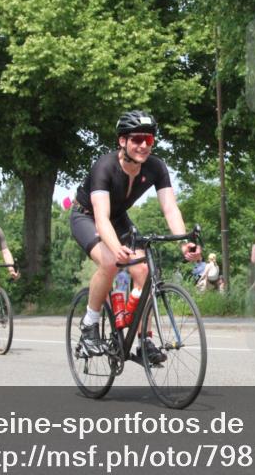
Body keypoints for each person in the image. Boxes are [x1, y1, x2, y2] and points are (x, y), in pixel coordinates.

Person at [69, 111, 200, 364]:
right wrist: (116, 247)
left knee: (144, 273)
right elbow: (101, 217)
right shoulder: (104, 166)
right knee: (110, 262)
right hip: (86, 216)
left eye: (148, 140)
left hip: (118, 218)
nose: (143, 146)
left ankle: (143, 340)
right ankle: (89, 325)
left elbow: (170, 208)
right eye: (137, 139)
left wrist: (184, 242)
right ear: (122, 141)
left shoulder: (155, 166)